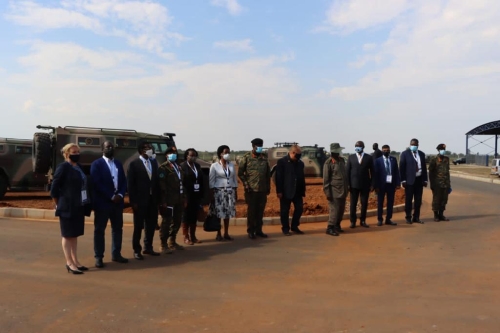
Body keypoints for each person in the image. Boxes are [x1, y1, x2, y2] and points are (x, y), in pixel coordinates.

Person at [50, 143, 91, 275]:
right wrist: (58, 203)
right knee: (67, 235)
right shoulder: (63, 167)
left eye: (78, 151)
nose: (76, 154)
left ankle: (76, 261)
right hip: (67, 206)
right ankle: (69, 263)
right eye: (74, 152)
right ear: (67, 153)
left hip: (79, 205)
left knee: (74, 235)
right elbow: (54, 189)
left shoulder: (79, 167)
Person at [90, 141, 129, 268]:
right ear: (102, 149)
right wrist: (111, 196)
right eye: (107, 147)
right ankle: (99, 257)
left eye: (112, 147)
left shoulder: (118, 163)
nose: (110, 148)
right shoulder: (97, 164)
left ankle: (116, 254)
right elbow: (97, 183)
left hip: (118, 203)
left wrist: (121, 195)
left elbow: (123, 181)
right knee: (99, 230)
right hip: (103, 203)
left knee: (117, 229)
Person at [127, 141, 161, 259]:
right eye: (147, 148)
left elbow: (156, 182)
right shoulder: (134, 164)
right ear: (141, 150)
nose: (150, 149)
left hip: (152, 200)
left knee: (151, 225)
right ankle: (137, 250)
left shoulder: (153, 162)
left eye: (151, 147)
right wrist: (133, 202)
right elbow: (131, 185)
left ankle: (148, 247)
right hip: (140, 201)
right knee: (138, 226)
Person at [238, 138, 271, 239]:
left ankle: (259, 230)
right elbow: (240, 173)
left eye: (261, 146)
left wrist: (268, 187)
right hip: (251, 190)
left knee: (260, 211)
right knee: (252, 211)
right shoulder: (246, 158)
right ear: (253, 146)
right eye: (258, 146)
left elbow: (267, 174)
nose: (260, 148)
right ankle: (251, 231)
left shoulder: (264, 157)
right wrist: (246, 184)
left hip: (262, 189)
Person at [158, 146, 186, 252]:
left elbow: (182, 184)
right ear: (166, 155)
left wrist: (184, 198)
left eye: (174, 153)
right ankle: (163, 244)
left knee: (177, 221)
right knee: (166, 221)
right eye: (170, 153)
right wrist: (163, 201)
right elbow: (162, 186)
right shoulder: (163, 168)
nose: (173, 154)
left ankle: (172, 241)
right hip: (169, 200)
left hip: (179, 199)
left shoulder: (178, 167)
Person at [209, 145, 238, 241]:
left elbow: (234, 179)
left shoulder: (231, 165)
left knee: (227, 213)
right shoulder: (214, 166)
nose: (228, 154)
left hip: (230, 192)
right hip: (219, 192)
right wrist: (212, 194)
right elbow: (211, 181)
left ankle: (226, 232)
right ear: (220, 154)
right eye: (226, 152)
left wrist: (235, 190)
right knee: (219, 214)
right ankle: (218, 233)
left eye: (229, 152)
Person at [275, 144, 306, 236]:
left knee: (299, 209)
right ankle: (285, 228)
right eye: (297, 155)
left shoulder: (300, 163)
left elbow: (301, 177)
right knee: (285, 211)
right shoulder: (282, 162)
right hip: (286, 191)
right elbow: (279, 178)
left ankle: (294, 226)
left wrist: (303, 190)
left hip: (298, 191)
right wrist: (279, 191)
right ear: (292, 153)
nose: (299, 157)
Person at [346, 141, 374, 228]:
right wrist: (348, 184)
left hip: (365, 185)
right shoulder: (351, 157)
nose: (357, 147)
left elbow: (372, 172)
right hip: (353, 185)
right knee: (353, 204)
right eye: (356, 146)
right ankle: (353, 221)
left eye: (359, 146)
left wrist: (372, 184)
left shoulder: (369, 158)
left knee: (364, 203)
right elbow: (347, 172)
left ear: (363, 147)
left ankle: (363, 220)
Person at [399, 138, 428, 224]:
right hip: (409, 181)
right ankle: (408, 217)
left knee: (418, 200)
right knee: (408, 200)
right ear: (410, 145)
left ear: (418, 145)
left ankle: (416, 217)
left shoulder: (422, 154)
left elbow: (424, 168)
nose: (414, 146)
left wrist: (425, 179)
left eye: (415, 145)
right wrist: (403, 180)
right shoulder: (404, 154)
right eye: (412, 144)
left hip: (419, 180)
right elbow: (402, 168)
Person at [180, 148, 205, 245]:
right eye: (191, 155)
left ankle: (193, 236)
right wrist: (184, 197)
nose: (193, 157)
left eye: (195, 155)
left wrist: (202, 196)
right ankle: (186, 237)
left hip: (196, 195)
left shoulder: (197, 166)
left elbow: (201, 180)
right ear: (187, 156)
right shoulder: (182, 166)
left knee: (194, 216)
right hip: (187, 195)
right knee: (186, 216)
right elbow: (181, 182)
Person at [323, 143, 348, 236]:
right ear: (334, 152)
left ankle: (337, 225)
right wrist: (328, 193)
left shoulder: (341, 161)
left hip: (343, 190)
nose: (339, 153)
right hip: (334, 191)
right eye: (338, 151)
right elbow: (326, 180)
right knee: (334, 210)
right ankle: (330, 227)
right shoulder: (328, 163)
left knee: (341, 209)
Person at [373, 145, 400, 226]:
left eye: (387, 150)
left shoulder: (393, 159)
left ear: (390, 151)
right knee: (380, 203)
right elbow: (375, 174)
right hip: (381, 185)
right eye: (384, 150)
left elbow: (396, 172)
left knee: (390, 203)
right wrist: (376, 186)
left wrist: (398, 183)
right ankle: (380, 219)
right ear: (382, 151)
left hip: (391, 185)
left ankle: (388, 219)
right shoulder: (378, 161)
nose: (386, 151)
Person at [429, 143, 451, 222]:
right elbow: (431, 172)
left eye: (444, 150)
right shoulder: (434, 159)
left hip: (445, 183)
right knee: (436, 200)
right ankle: (436, 215)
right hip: (437, 184)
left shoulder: (447, 159)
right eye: (441, 150)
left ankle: (441, 214)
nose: (443, 151)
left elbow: (447, 172)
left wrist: (449, 184)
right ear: (438, 150)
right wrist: (432, 184)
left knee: (444, 200)